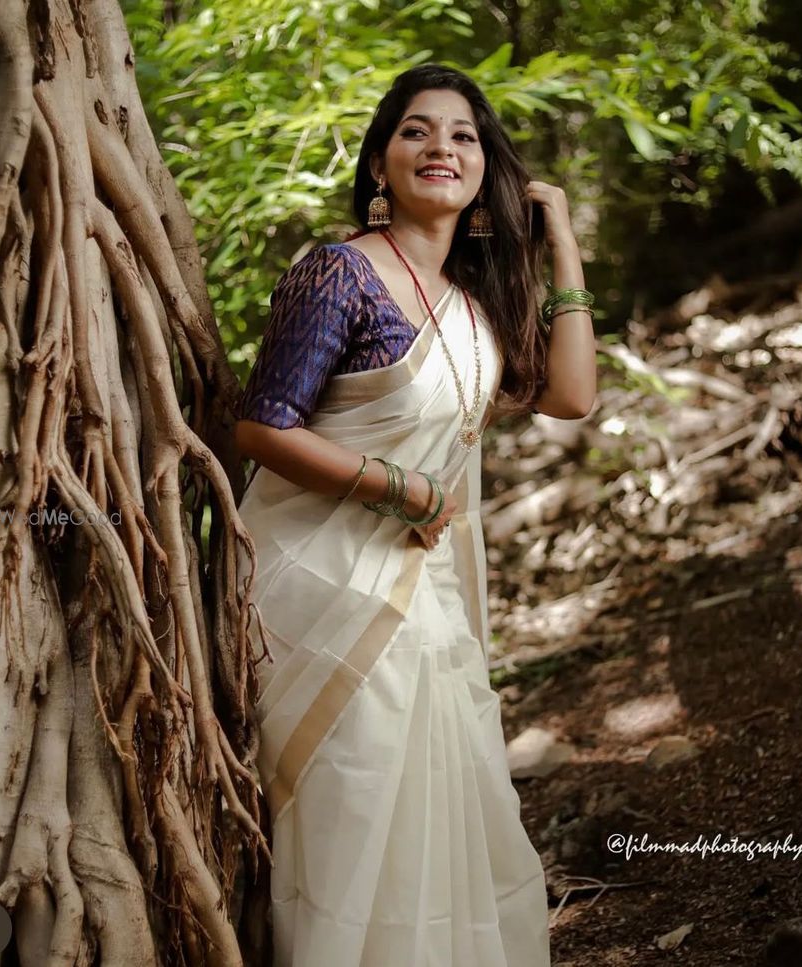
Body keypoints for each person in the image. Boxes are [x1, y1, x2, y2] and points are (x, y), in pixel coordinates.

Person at [234, 63, 596, 967]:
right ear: (380, 164)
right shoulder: (341, 273)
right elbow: (262, 425)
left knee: (443, 807)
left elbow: (571, 394)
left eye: (464, 136)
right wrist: (404, 488)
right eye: (417, 130)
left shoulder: (474, 310)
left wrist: (561, 243)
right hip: (321, 591)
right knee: (355, 807)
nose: (442, 147)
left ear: (484, 172)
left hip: (424, 601)